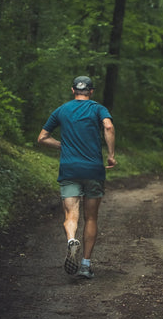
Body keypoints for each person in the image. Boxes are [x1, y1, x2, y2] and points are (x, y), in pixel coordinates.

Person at [37, 76, 116, 279]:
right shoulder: (98, 108)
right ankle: (85, 265)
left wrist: (62, 145)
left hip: (69, 170)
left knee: (71, 216)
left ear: (73, 90)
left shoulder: (61, 110)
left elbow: (42, 137)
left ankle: (72, 239)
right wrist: (111, 154)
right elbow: (108, 126)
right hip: (93, 170)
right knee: (91, 218)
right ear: (91, 92)